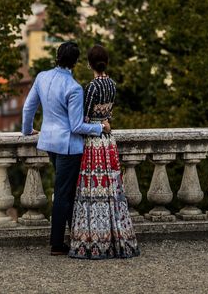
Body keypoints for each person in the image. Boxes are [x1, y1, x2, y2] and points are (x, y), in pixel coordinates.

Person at [22, 41, 111, 256]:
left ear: (57, 57)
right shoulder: (74, 88)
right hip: (68, 146)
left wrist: (27, 131)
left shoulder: (42, 77)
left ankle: (74, 236)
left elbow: (28, 107)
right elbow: (76, 126)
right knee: (65, 193)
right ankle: (57, 244)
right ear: (76, 62)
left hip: (49, 143)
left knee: (65, 192)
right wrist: (101, 127)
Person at [69, 44, 140, 259]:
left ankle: (94, 238)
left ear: (89, 63)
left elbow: (85, 118)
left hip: (94, 142)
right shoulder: (112, 84)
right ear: (106, 62)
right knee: (111, 190)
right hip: (108, 141)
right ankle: (115, 236)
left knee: (94, 190)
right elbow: (110, 114)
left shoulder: (92, 87)